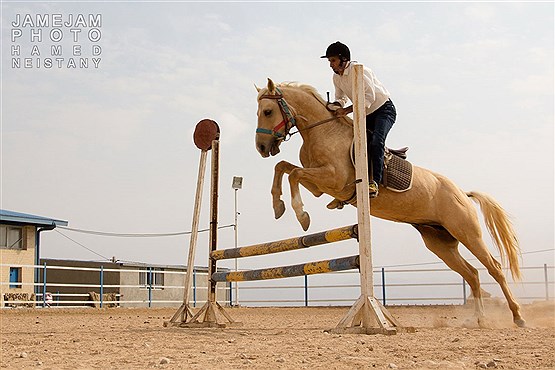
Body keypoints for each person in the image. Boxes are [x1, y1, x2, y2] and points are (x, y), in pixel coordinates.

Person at [321, 41, 396, 198]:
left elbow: (369, 97)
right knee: (354, 146)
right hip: (365, 113)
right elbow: (340, 99)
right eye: (329, 61)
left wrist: (346, 111)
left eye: (332, 60)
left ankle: (374, 182)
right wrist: (332, 106)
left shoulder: (360, 70)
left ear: (343, 59)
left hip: (383, 110)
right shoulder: (337, 77)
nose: (331, 65)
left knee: (376, 142)